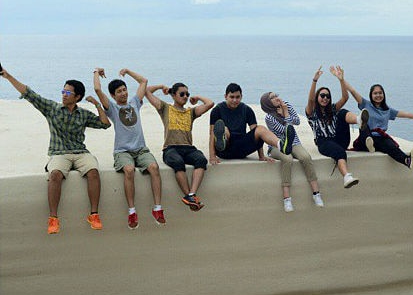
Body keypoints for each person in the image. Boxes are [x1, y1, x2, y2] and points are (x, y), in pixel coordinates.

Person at [0, 67, 111, 234]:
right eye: (63, 91)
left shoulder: (83, 114)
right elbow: (30, 94)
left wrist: (96, 104)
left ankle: (94, 215)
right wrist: (8, 76)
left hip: (80, 152)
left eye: (67, 93)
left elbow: (105, 124)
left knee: (94, 172)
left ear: (77, 97)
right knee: (55, 175)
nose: (63, 94)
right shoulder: (51, 108)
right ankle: (53, 218)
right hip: (59, 153)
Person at [93, 67, 165, 229]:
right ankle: (132, 211)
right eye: (119, 91)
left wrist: (128, 72)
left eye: (124, 89)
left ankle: (158, 209)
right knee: (129, 170)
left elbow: (144, 82)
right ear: (113, 95)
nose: (124, 93)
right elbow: (97, 89)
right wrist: (96, 71)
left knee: (154, 167)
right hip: (122, 151)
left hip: (141, 149)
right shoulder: (112, 108)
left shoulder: (135, 103)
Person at [146, 82, 213, 211]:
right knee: (178, 162)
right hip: (171, 148)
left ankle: (191, 195)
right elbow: (146, 91)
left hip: (188, 147)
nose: (185, 96)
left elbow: (209, 103)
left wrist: (197, 98)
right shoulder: (165, 108)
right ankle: (189, 197)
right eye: (182, 94)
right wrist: (161, 87)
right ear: (173, 95)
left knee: (201, 160)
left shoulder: (191, 112)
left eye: (187, 94)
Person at [260, 92, 324, 212]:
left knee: (305, 157)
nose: (277, 98)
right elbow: (285, 131)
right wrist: (285, 115)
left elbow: (297, 121)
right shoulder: (269, 117)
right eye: (272, 98)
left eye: (276, 95)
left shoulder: (286, 105)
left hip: (294, 142)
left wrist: (286, 112)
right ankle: (287, 199)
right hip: (277, 145)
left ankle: (316, 194)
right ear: (268, 103)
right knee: (287, 159)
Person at [345, 82, 413, 169]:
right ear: (371, 95)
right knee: (363, 123)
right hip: (364, 138)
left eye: (380, 93)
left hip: (379, 139)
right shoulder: (366, 104)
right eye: (375, 93)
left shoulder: (388, 110)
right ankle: (368, 142)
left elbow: (405, 114)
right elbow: (352, 91)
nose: (378, 95)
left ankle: (407, 160)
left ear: (383, 94)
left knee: (391, 146)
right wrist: (341, 79)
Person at [306, 66, 366, 189]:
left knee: (342, 112)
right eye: (322, 95)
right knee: (340, 152)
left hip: (339, 139)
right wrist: (314, 81)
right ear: (318, 97)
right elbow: (311, 100)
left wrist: (341, 80)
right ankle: (347, 176)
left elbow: (345, 98)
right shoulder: (312, 113)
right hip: (324, 142)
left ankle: (358, 120)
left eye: (327, 96)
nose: (325, 98)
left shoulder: (332, 109)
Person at [209, 83, 295, 165]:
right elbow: (212, 134)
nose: (235, 100)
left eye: (237, 97)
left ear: (241, 97)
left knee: (260, 128)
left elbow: (257, 134)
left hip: (242, 148)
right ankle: (222, 141)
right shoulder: (217, 110)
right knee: (223, 129)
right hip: (224, 151)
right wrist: (212, 156)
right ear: (225, 96)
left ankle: (281, 145)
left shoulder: (247, 110)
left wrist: (261, 156)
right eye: (232, 97)